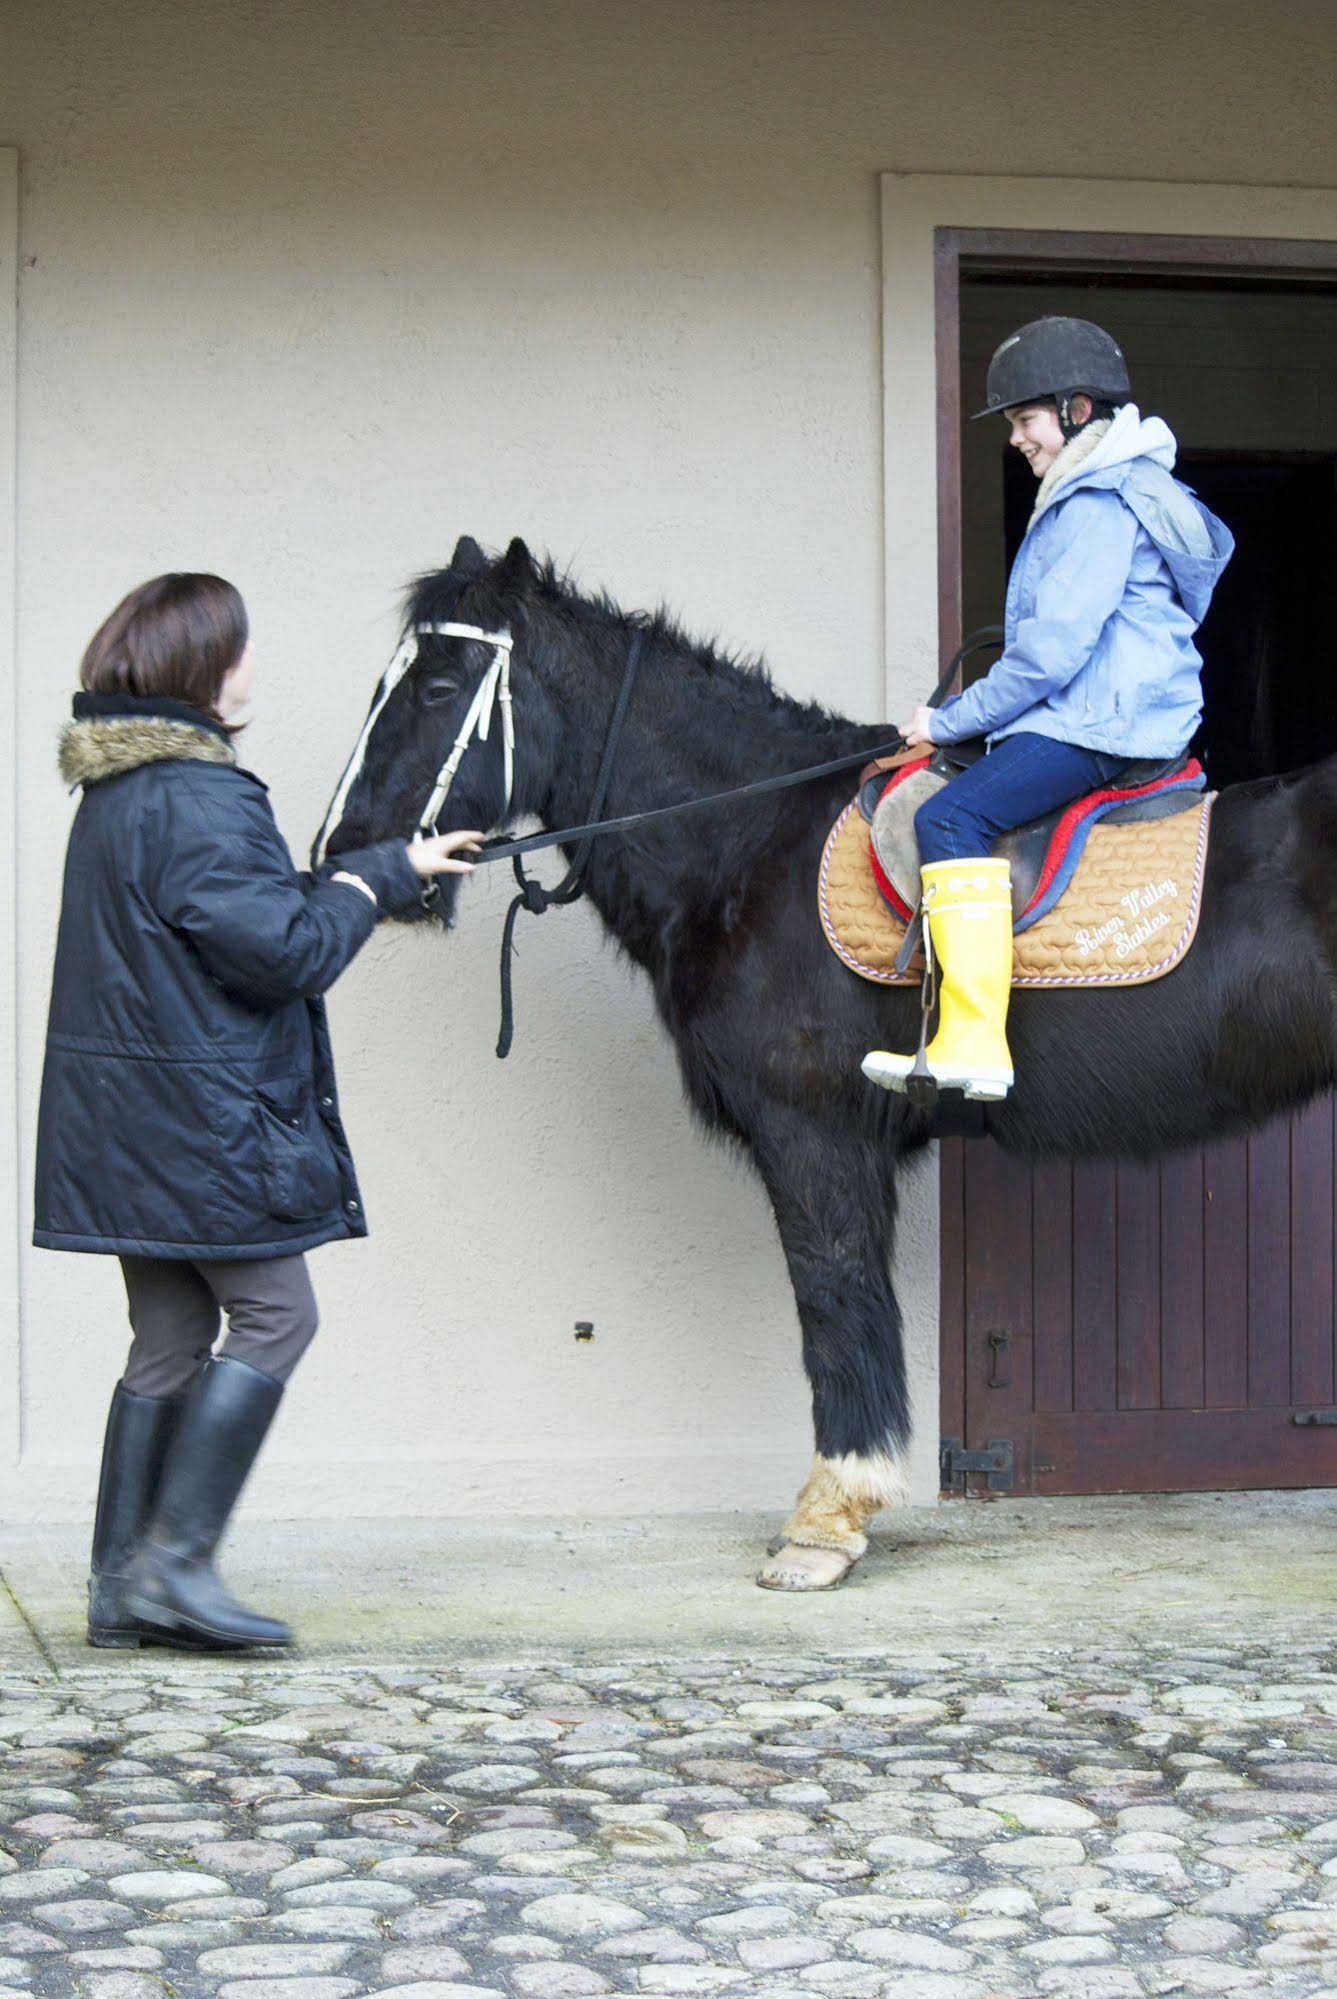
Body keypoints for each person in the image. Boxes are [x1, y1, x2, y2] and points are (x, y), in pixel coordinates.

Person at [33, 573, 481, 1650]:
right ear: (195, 671)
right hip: (197, 1126)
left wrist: (386, 861)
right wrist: (370, 888)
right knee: (279, 1315)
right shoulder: (201, 795)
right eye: (235, 654)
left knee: (172, 1334)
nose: (249, 674)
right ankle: (174, 1566)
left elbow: (234, 915)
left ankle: (118, 1586)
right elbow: (288, 951)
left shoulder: (122, 792)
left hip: (127, 1128)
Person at [862, 315, 1234, 1103]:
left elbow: (1048, 656)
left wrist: (946, 720)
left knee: (948, 820)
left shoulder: (1096, 501)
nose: (1016, 441)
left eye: (1025, 421)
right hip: (1115, 713)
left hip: (1099, 726)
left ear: (1075, 410)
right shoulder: (1115, 487)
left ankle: (971, 1040)